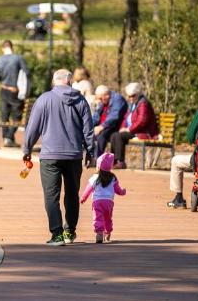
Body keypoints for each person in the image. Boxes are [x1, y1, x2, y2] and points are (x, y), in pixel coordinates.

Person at [23, 69, 94, 246]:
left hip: (50, 156)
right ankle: (70, 231)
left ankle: (57, 234)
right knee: (71, 194)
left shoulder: (44, 100)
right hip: (74, 156)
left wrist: (27, 149)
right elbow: (88, 129)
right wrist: (90, 152)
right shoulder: (81, 100)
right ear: (69, 82)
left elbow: (33, 128)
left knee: (51, 196)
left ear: (55, 82)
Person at [109, 82, 159, 169]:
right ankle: (115, 161)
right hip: (134, 130)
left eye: (133, 96)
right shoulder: (133, 104)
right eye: (129, 96)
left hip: (143, 132)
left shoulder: (143, 103)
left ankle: (121, 162)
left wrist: (128, 129)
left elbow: (142, 121)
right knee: (114, 135)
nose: (130, 98)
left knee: (118, 136)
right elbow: (126, 118)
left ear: (138, 94)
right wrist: (122, 128)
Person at [81, 153, 126, 243]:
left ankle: (99, 232)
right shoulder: (113, 178)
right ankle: (108, 232)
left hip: (97, 202)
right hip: (109, 202)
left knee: (98, 217)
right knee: (108, 218)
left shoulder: (95, 177)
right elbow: (118, 190)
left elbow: (88, 189)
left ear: (98, 166)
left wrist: (83, 198)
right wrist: (123, 192)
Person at [0, 40, 30, 147]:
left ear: (2, 48)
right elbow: (27, 72)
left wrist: (3, 77)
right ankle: (9, 137)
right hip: (15, 91)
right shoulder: (18, 58)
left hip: (3, 90)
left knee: (4, 116)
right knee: (17, 116)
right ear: (12, 47)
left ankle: (7, 139)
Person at [90, 85, 127, 165]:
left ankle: (97, 160)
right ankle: (92, 158)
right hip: (105, 126)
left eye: (100, 98)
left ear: (106, 95)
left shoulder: (117, 99)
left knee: (101, 135)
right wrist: (88, 125)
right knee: (90, 134)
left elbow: (114, 117)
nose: (99, 101)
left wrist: (101, 127)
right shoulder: (103, 101)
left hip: (115, 126)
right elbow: (96, 116)